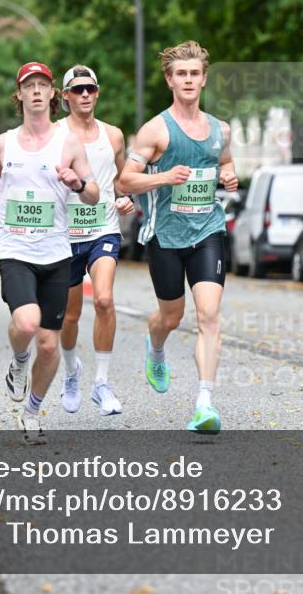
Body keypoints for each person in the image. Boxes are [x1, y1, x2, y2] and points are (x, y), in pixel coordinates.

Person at [118, 41, 238, 434]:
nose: (188, 80)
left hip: (208, 231)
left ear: (204, 79)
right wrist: (164, 177)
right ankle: (156, 351)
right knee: (171, 317)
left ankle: (204, 403)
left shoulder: (220, 130)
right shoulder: (156, 129)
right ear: (170, 80)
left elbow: (224, 162)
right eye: (180, 74)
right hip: (165, 236)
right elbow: (125, 179)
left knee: (208, 315)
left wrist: (230, 175)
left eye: (194, 74)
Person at [0, 61, 100, 445]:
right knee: (28, 324)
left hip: (55, 251)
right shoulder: (3, 142)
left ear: (52, 95)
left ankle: (31, 412)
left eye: (42, 85)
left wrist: (78, 182)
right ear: (19, 95)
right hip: (14, 247)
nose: (35, 90)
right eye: (28, 85)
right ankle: (18, 362)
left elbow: (94, 193)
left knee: (49, 344)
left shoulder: (69, 144)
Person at [56, 65, 136, 417]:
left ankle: (101, 383)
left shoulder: (113, 135)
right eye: (77, 90)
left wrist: (126, 198)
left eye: (90, 88)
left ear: (98, 93)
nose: (84, 94)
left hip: (103, 229)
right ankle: (72, 371)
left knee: (104, 300)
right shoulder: (55, 136)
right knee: (69, 316)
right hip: (64, 235)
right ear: (65, 98)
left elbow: (123, 178)